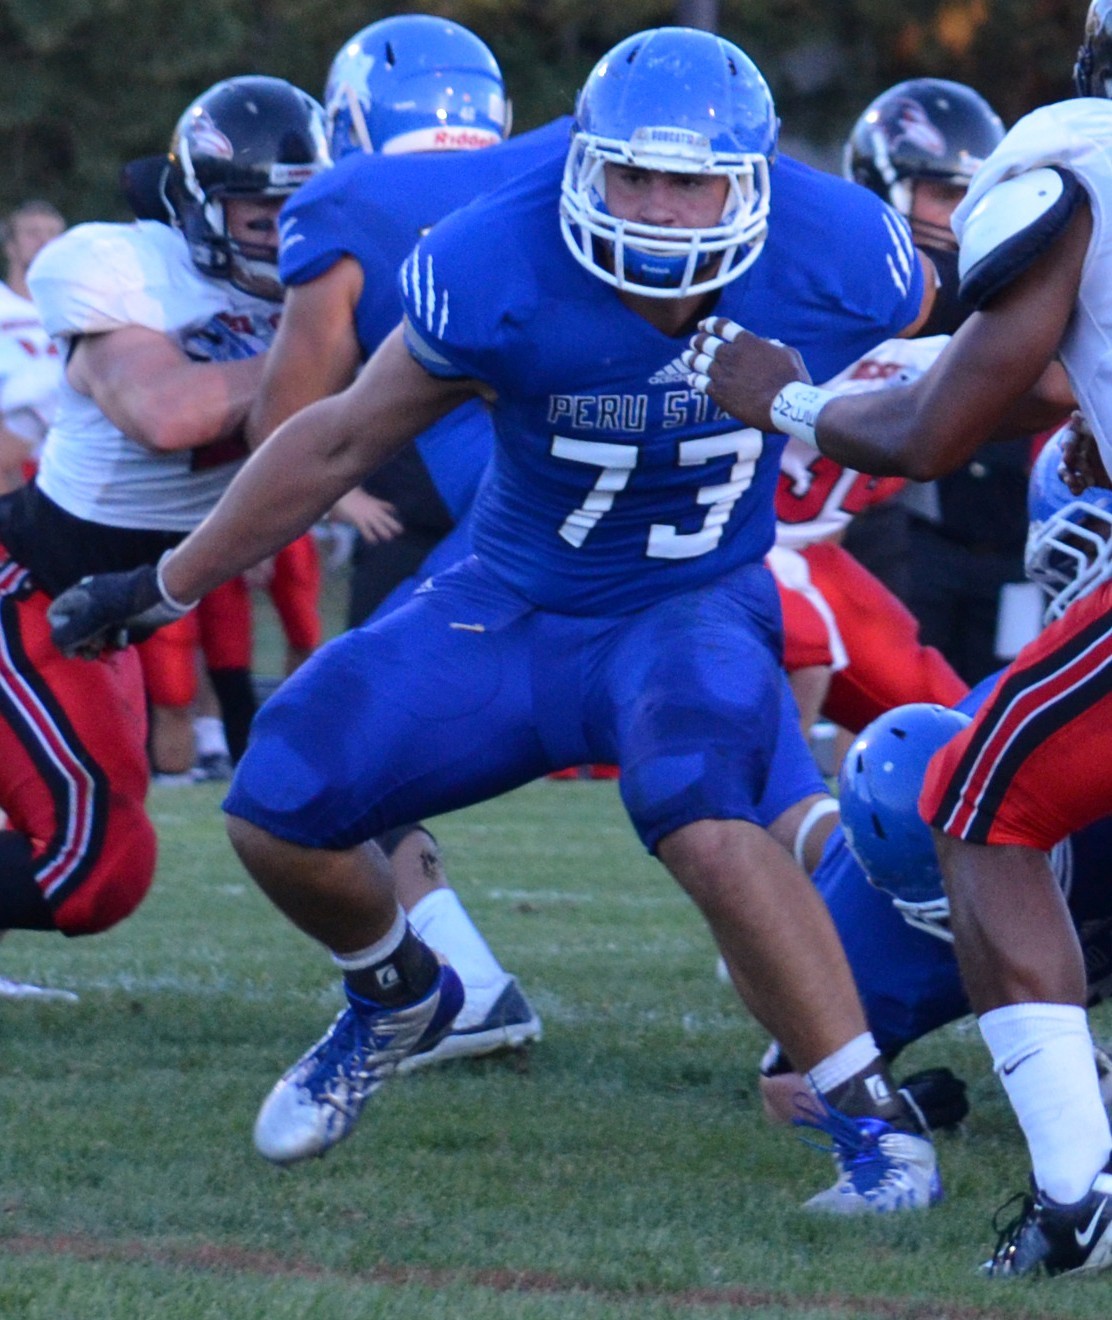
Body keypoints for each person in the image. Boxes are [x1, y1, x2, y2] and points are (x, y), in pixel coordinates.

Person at [47, 27, 944, 1213]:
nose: (661, 210)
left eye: (692, 181)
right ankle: (396, 992)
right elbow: (338, 434)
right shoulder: (493, 254)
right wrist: (163, 584)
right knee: (277, 797)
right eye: (632, 173)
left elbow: (971, 363)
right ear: (583, 158)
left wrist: (828, 400)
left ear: (755, 179)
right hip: (508, 599)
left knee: (707, 815)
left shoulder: (844, 253)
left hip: (685, 603)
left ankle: (876, 1133)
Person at [679, 3, 1112, 1275]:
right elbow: (1044, 375)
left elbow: (930, 431)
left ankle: (1077, 1197)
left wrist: (792, 400)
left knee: (974, 801)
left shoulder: (1074, 153)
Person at [244, 13, 552, 1067]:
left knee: (333, 752)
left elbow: (285, 427)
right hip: (654, 503)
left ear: (356, 116)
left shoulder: (345, 199)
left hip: (505, 527)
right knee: (724, 791)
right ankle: (842, 1024)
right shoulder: (555, 164)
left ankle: (452, 988)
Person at [0, 79, 328, 969]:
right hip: (27, 581)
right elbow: (167, 413)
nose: (277, 231)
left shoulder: (334, 284)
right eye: (254, 210)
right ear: (197, 201)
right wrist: (332, 353)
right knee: (85, 872)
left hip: (113, 612)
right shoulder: (120, 264)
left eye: (297, 208)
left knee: (110, 873)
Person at [840, 78, 1047, 687]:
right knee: (897, 700)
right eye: (945, 192)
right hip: (899, 528)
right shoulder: (860, 280)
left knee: (992, 707)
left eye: (979, 192)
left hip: (1013, 542)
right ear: (885, 185)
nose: (964, 214)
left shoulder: (1019, 279)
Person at [0, 200, 65, 492]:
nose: (45, 241)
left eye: (53, 233)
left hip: (68, 464)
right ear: (10, 246)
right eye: (33, 232)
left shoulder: (81, 308)